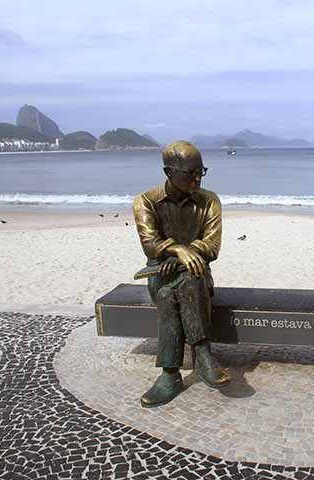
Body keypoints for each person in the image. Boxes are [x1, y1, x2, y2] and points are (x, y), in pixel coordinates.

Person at [132, 141, 231, 408]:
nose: (197, 179)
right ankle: (203, 355)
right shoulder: (146, 202)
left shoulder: (209, 200)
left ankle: (170, 374)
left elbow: (212, 246)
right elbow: (149, 244)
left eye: (201, 172)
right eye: (190, 173)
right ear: (169, 173)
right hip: (159, 275)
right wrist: (178, 250)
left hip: (196, 276)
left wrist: (179, 258)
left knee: (184, 281)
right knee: (166, 289)